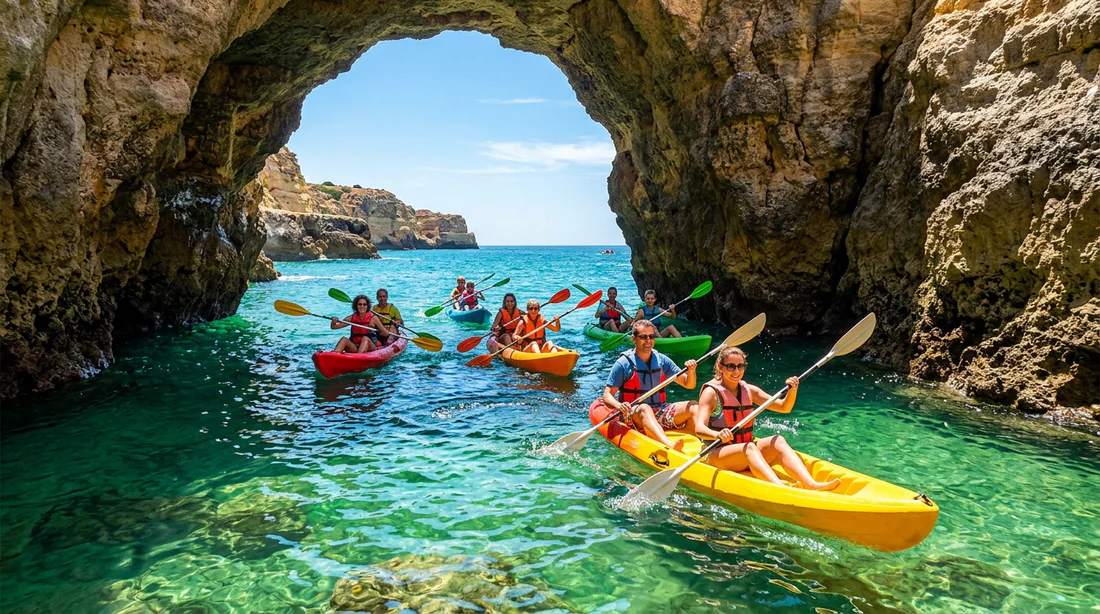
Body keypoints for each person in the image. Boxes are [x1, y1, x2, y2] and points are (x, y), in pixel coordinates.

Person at [694, 346, 840, 491]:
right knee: (749, 447)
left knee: (777, 440)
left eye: (740, 366)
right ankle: (780, 487)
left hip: (743, 451)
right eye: (731, 366)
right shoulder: (711, 393)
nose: (737, 371)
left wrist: (792, 390)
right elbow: (699, 428)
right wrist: (717, 434)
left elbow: (784, 407)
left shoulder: (749, 390)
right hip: (716, 454)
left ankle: (811, 484)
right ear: (720, 367)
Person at [602, 320, 698, 451]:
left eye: (651, 336)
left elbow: (689, 384)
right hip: (633, 413)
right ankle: (668, 444)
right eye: (643, 337)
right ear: (633, 338)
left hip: (660, 410)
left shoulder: (662, 360)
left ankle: (693, 441)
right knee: (644, 408)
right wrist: (619, 405)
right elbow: (607, 396)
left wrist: (691, 371)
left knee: (693, 406)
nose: (648, 340)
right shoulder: (623, 363)